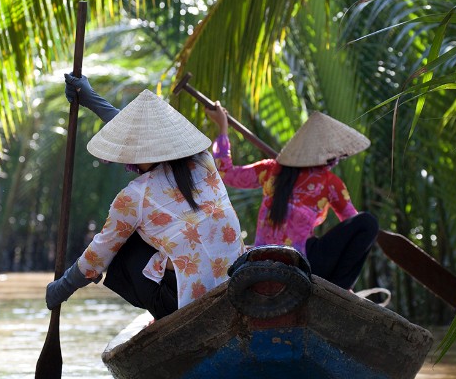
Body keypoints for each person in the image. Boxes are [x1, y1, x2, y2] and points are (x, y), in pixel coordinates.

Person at [45, 83, 244, 319]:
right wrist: (92, 100)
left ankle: (158, 311)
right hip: (234, 279)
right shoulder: (204, 161)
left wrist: (62, 288)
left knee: (120, 246)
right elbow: (139, 140)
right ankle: (99, 272)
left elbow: (98, 252)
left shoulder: (134, 197)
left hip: (181, 300)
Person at [204, 104, 378, 291]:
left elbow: (225, 172)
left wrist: (222, 127)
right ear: (329, 157)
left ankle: (338, 288)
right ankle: (341, 288)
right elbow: (352, 222)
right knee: (367, 223)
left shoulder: (271, 169)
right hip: (304, 262)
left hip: (262, 256)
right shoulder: (329, 182)